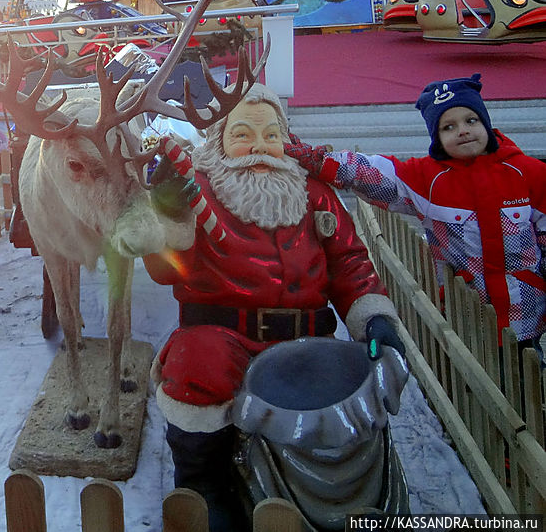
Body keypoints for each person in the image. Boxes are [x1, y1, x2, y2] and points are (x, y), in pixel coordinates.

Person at [143, 83, 403, 531]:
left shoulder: (313, 192)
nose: (258, 147)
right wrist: (168, 215)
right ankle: (205, 484)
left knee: (346, 390)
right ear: (220, 141)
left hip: (306, 336)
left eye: (270, 134)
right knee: (197, 366)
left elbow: (348, 261)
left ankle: (344, 487)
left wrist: (372, 315)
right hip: (222, 332)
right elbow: (169, 269)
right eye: (242, 134)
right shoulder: (200, 189)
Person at [286, 72, 546, 358]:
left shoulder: (528, 172)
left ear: (485, 122)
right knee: (472, 381)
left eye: (471, 120)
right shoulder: (428, 179)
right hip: (467, 317)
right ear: (436, 137)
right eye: (448, 127)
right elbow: (373, 172)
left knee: (527, 383)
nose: (462, 130)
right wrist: (321, 161)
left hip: (525, 311)